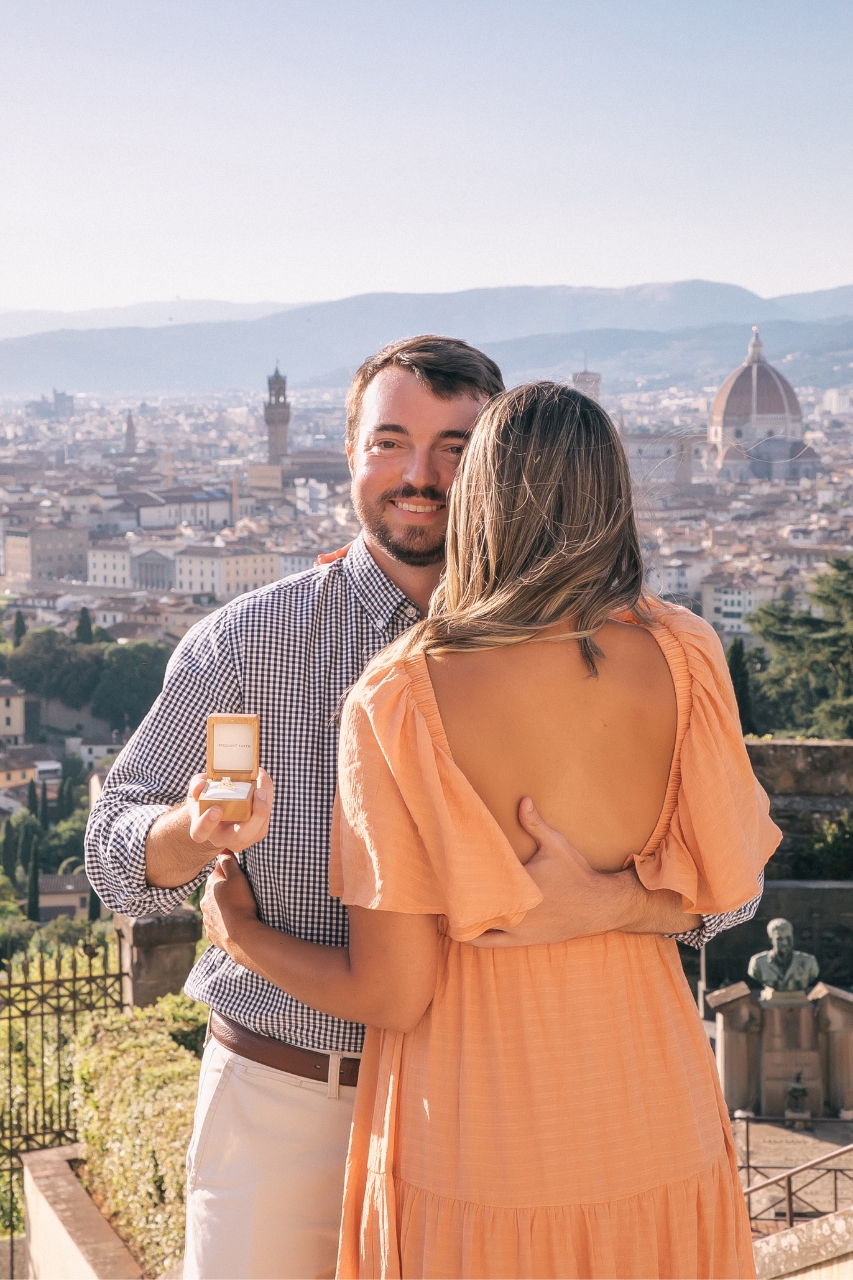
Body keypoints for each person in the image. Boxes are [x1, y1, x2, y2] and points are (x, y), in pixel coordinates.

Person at [87, 344, 764, 1280]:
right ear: (348, 452)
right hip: (298, 1095)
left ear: (492, 466)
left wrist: (234, 928)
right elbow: (110, 850)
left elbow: (725, 903)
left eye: (455, 445)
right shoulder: (247, 641)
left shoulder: (412, 689)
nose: (419, 474)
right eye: (391, 442)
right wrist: (185, 833)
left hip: (500, 1105)